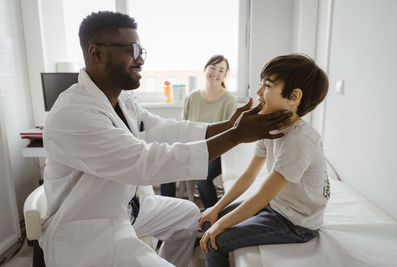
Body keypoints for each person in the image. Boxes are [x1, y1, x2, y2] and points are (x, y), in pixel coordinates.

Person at [38, 11, 292, 267]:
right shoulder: (75, 113)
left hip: (125, 209)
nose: (140, 59)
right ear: (96, 53)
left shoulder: (121, 100)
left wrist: (228, 126)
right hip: (89, 228)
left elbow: (167, 129)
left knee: (188, 215)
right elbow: (144, 164)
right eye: (132, 49)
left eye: (141, 50)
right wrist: (236, 135)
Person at [198, 54, 330, 267]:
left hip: (296, 223)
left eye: (267, 85)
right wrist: (216, 210)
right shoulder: (270, 127)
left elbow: (263, 194)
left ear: (294, 96)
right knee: (209, 221)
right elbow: (249, 175)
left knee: (216, 241)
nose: (258, 92)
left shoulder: (300, 139)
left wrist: (221, 226)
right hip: (276, 206)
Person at [161, 55, 237, 209]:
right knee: (165, 168)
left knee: (202, 180)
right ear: (205, 69)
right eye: (213, 68)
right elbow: (182, 128)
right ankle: (166, 211)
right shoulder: (192, 97)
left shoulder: (229, 100)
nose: (215, 73)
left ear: (225, 74)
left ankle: (214, 219)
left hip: (217, 152)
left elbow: (230, 133)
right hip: (191, 148)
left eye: (221, 70)